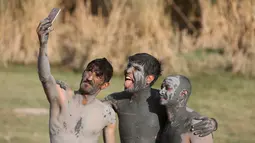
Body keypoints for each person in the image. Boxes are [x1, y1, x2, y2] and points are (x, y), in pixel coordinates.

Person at [102, 53, 218, 143]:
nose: (128, 70)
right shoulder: (116, 100)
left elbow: (185, 113)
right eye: (129, 66)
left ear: (149, 79)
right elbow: (93, 108)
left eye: (136, 69)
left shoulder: (160, 99)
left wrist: (213, 123)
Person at [36, 18, 116, 143]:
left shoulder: (107, 114)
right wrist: (43, 45)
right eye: (89, 71)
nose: (89, 77)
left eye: (97, 75)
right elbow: (45, 77)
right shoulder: (62, 97)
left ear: (105, 85)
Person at [159, 75, 214, 143]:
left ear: (183, 94)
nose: (161, 91)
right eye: (162, 87)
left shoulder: (197, 126)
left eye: (168, 88)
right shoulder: (164, 116)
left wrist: (214, 123)